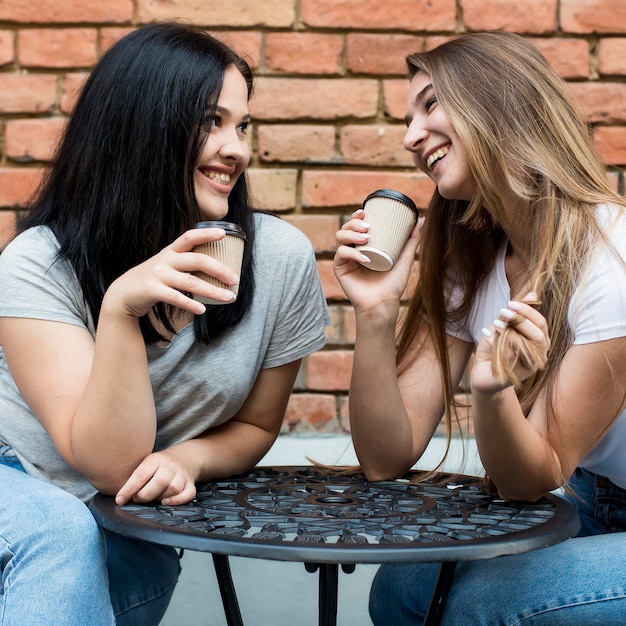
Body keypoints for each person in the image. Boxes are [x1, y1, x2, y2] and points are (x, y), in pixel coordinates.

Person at [0, 22, 328, 625]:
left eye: (242, 125)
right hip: (18, 481)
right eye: (211, 121)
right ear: (142, 126)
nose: (237, 148)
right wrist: (121, 315)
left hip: (128, 519)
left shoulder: (280, 260)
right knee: (60, 535)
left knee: (124, 565)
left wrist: (190, 460)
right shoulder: (39, 264)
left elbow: (257, 423)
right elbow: (108, 462)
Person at [334, 31, 626, 625]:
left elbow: (531, 478)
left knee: (487, 607)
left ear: (499, 105)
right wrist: (374, 313)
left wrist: (491, 394)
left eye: (431, 104)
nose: (410, 137)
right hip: (595, 499)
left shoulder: (610, 257)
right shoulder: (477, 258)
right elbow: (386, 457)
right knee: (402, 589)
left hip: (578, 494)